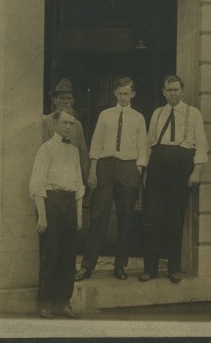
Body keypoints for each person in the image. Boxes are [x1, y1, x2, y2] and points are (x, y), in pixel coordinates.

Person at [75, 77, 147, 281]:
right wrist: (93, 170)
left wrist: (138, 172)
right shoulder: (105, 115)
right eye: (120, 93)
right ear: (115, 93)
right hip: (105, 167)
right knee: (98, 216)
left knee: (126, 218)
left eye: (127, 93)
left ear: (133, 94)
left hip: (128, 167)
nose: (123, 97)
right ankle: (87, 266)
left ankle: (120, 265)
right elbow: (96, 144)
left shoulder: (139, 118)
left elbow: (143, 147)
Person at [140, 75, 208, 284]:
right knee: (152, 217)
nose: (172, 94)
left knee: (175, 218)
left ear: (182, 91)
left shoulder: (193, 113)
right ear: (163, 92)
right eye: (169, 90)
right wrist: (144, 170)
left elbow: (202, 144)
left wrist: (196, 171)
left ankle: (174, 268)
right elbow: (147, 143)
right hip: (157, 166)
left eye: (176, 90)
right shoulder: (157, 113)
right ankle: (150, 269)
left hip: (181, 166)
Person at [29, 107, 85, 319]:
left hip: (70, 204)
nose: (69, 127)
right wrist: (42, 215)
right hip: (51, 203)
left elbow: (79, 184)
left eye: (72, 123)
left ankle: (63, 302)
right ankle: (45, 303)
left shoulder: (73, 151)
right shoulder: (46, 149)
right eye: (65, 123)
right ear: (55, 124)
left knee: (68, 256)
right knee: (50, 254)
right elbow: (37, 184)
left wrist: (79, 215)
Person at [43, 79, 90, 187]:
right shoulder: (47, 121)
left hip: (74, 174)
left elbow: (83, 153)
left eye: (68, 98)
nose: (65, 101)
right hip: (55, 177)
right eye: (62, 98)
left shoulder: (77, 124)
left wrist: (85, 177)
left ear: (73, 101)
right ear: (55, 100)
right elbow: (45, 153)